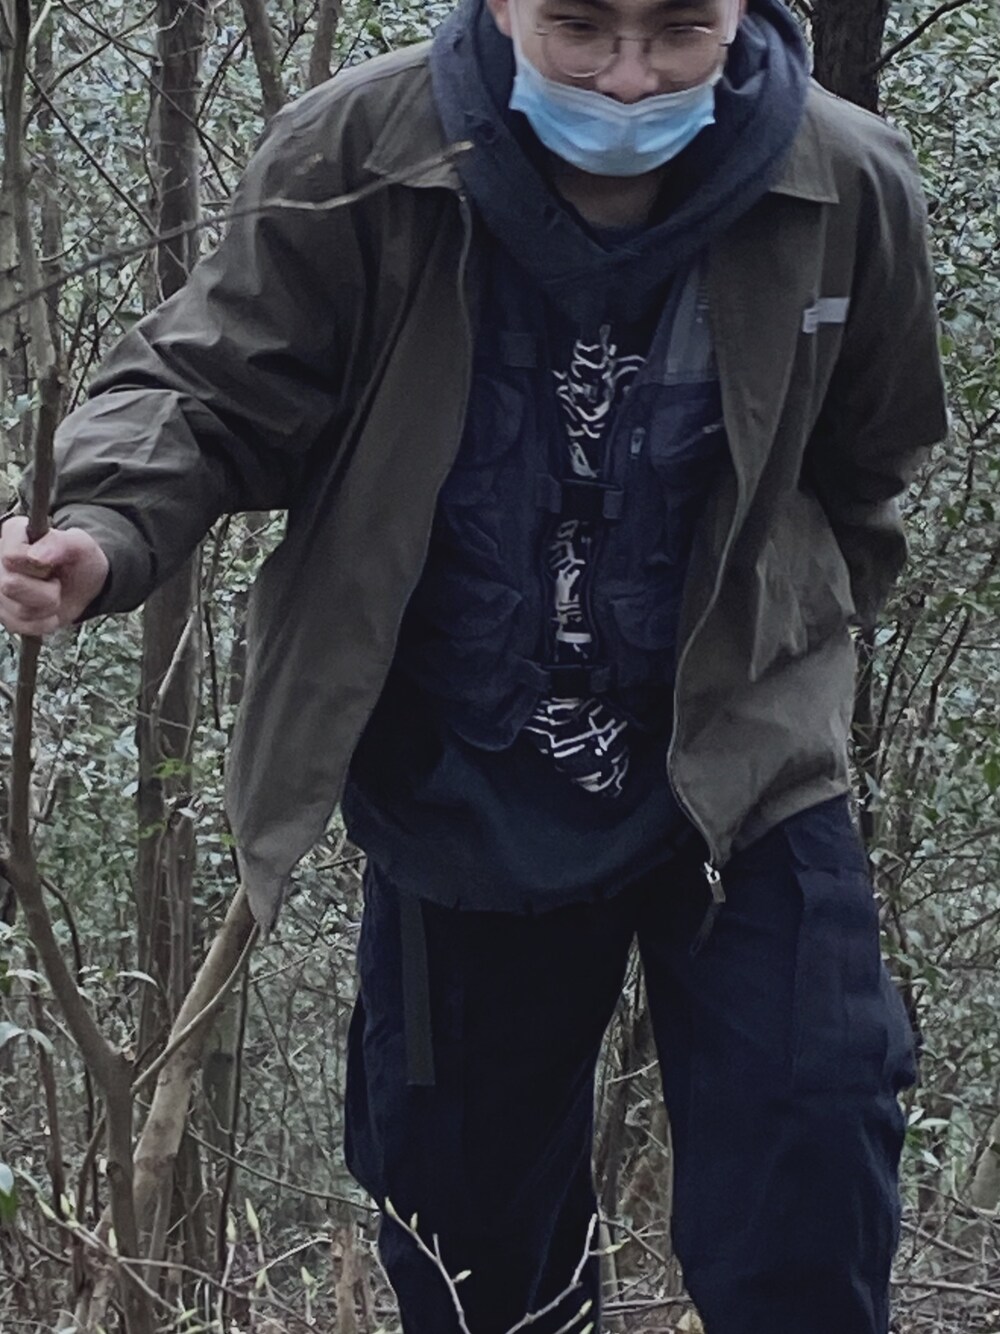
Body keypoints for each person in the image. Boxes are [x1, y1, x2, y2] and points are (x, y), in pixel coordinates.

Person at [0, 0, 948, 1327]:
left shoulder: (844, 180)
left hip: (745, 764)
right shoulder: (361, 152)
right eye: (581, 28)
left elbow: (873, 448)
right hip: (460, 772)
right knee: (471, 1243)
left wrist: (795, 620)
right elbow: (209, 386)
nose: (630, 78)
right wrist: (103, 529)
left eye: (680, 30)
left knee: (813, 1160)